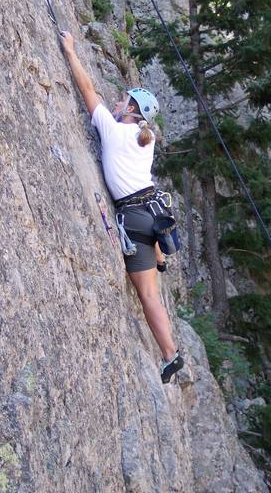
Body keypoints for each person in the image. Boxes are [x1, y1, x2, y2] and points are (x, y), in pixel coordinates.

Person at [61, 31, 184, 384]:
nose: (116, 101)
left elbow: (87, 90)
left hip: (132, 215)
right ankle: (159, 260)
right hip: (154, 212)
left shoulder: (113, 131)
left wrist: (70, 51)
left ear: (130, 110)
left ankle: (171, 355)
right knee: (152, 293)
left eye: (122, 100)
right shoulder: (147, 139)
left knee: (146, 294)